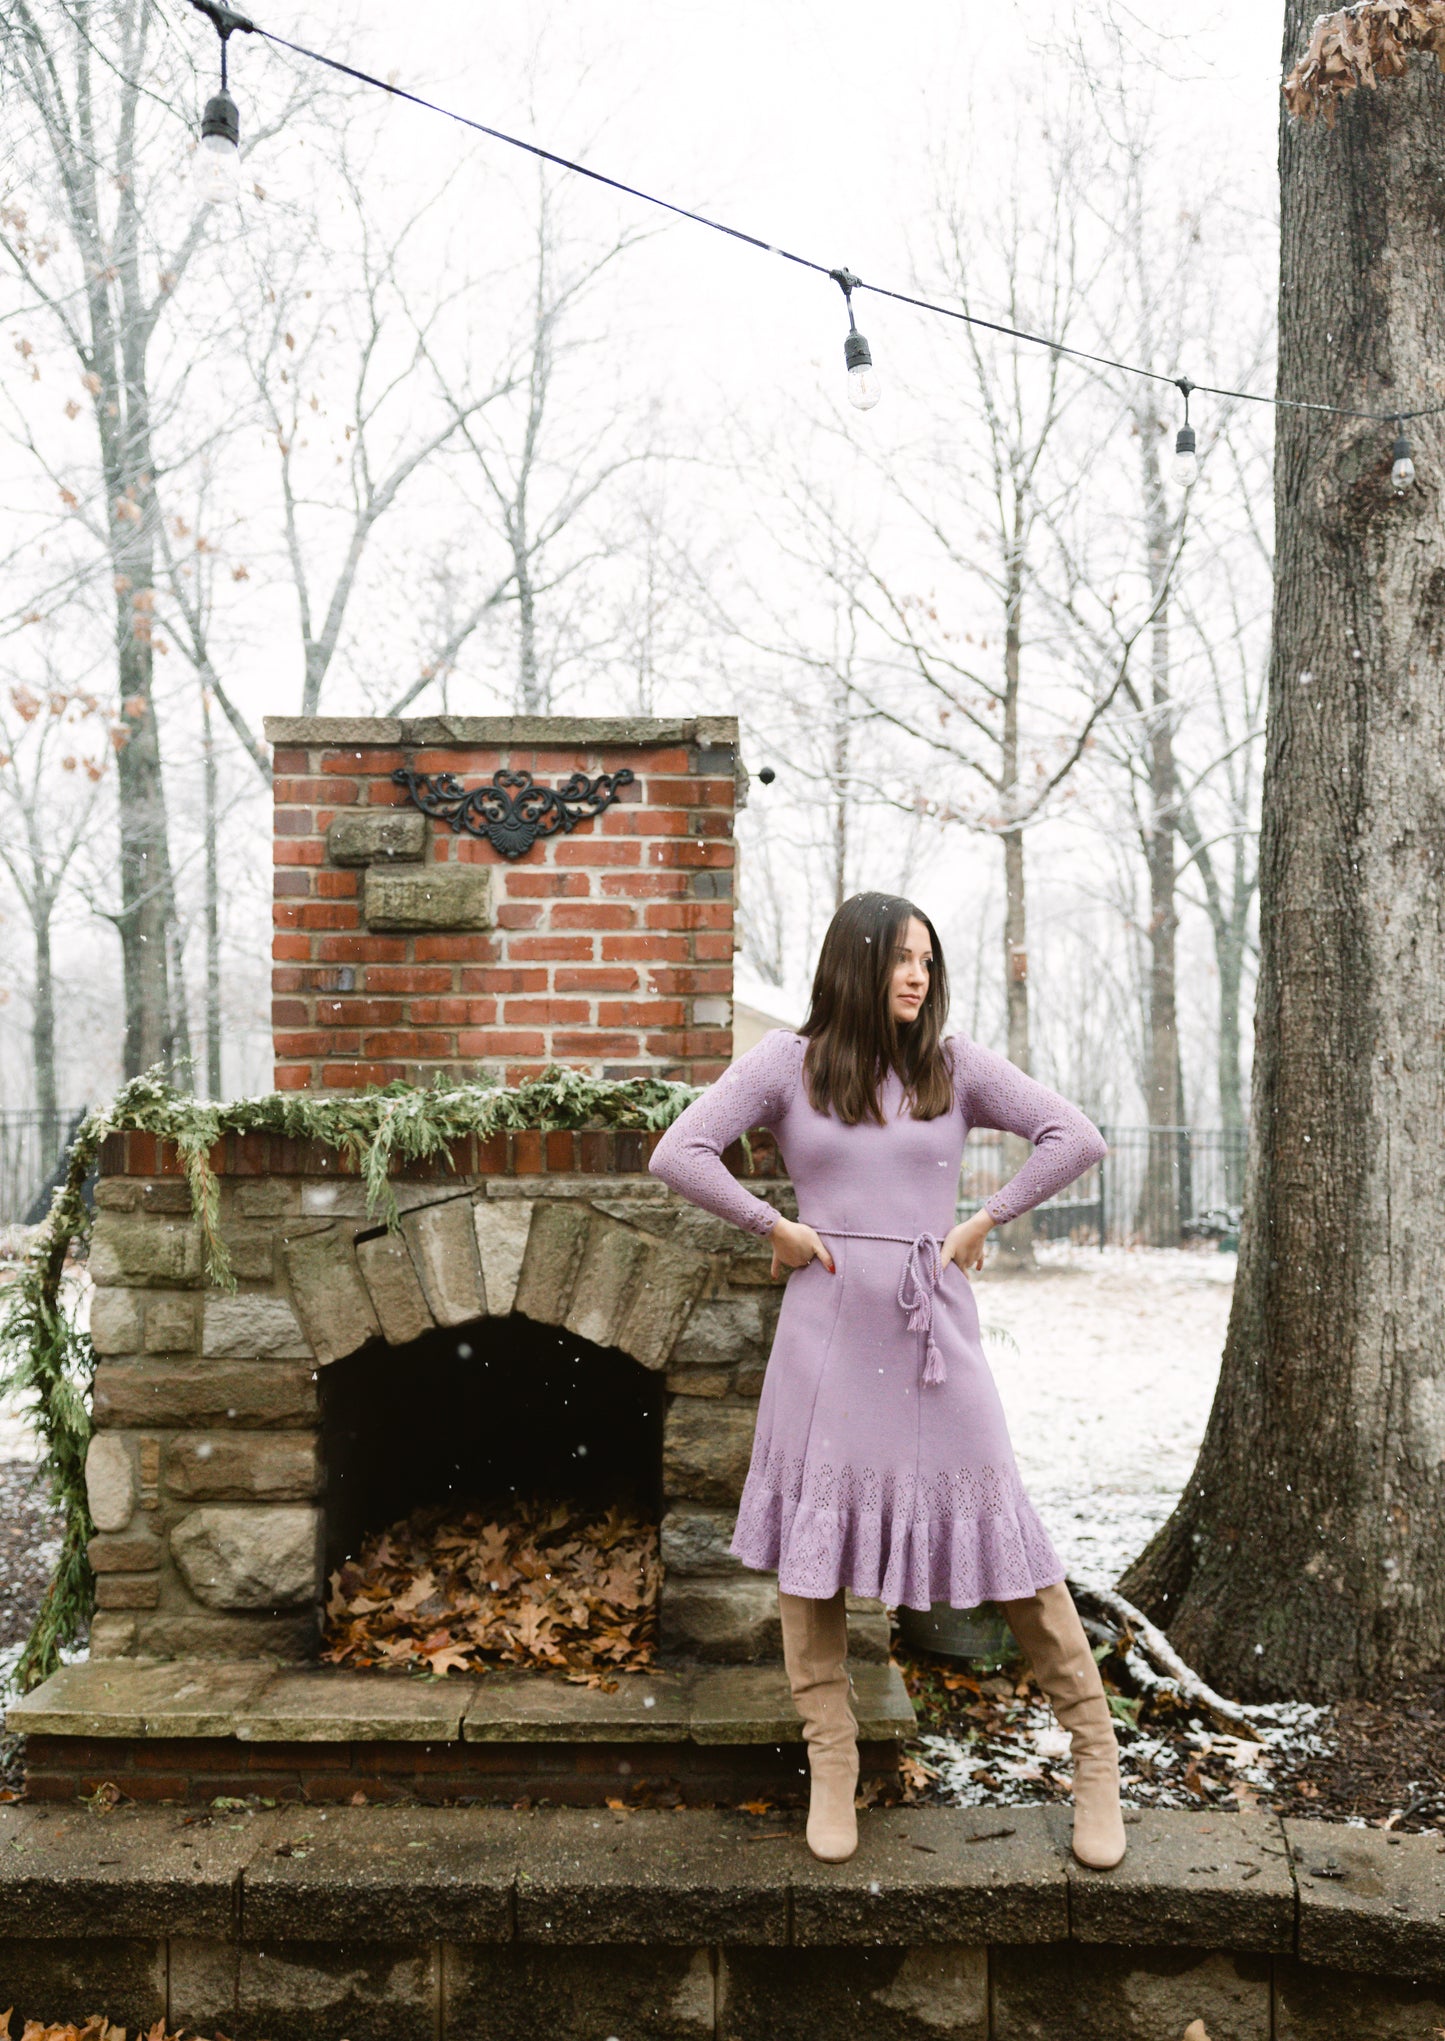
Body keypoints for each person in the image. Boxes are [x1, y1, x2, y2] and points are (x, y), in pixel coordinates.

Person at [647, 891, 1124, 1870]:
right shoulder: (786, 1063)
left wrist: (984, 1218)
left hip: (930, 1333)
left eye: (926, 960)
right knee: (813, 1555)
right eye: (901, 957)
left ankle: (1094, 1757)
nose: (917, 975)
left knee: (1008, 1541)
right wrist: (773, 1225)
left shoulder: (953, 1067)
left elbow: (1073, 1135)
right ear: (854, 963)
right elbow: (677, 1150)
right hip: (823, 1335)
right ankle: (831, 1762)